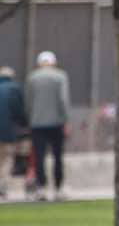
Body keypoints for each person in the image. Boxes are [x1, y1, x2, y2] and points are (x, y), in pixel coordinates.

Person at [25, 51, 69, 202]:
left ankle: (41, 188)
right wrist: (66, 120)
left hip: (37, 123)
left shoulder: (32, 78)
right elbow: (63, 100)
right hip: (56, 123)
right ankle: (58, 188)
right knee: (58, 156)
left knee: (39, 157)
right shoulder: (60, 76)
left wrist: (29, 120)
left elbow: (28, 102)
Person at [0, 65, 25, 199]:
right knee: (7, 159)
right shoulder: (15, 89)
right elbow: (18, 111)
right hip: (8, 132)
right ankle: (2, 185)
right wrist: (24, 124)